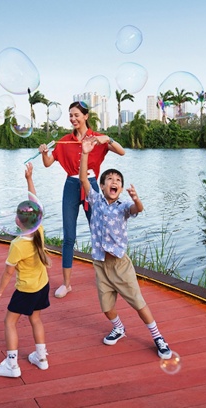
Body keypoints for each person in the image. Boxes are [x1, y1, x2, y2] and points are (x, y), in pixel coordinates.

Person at [78, 136, 172, 359]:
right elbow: (83, 179)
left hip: (120, 263)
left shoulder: (124, 206)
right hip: (100, 262)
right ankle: (119, 327)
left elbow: (137, 209)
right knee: (106, 306)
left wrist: (137, 199)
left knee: (138, 303)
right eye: (109, 179)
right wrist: (84, 153)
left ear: (120, 188)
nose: (114, 181)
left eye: (117, 180)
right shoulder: (96, 200)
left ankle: (158, 337)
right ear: (102, 186)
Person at [38, 100, 125, 298]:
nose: (73, 118)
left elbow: (121, 151)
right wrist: (44, 152)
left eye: (76, 115)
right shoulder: (64, 140)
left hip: (92, 186)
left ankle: (110, 278)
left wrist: (107, 139)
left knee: (100, 232)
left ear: (86, 116)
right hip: (70, 186)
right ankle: (66, 284)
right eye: (70, 115)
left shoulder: (97, 138)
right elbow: (48, 163)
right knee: (69, 237)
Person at [0, 163, 52, 378]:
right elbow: (36, 205)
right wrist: (29, 179)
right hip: (42, 286)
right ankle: (41, 358)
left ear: (17, 221)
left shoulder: (18, 244)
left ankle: (12, 365)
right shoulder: (40, 230)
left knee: (10, 321)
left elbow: (8, 272)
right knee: (35, 319)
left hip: (26, 290)